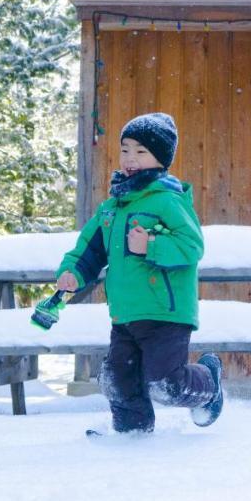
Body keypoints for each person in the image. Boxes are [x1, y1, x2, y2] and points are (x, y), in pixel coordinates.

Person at [52, 112, 224, 434]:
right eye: (125, 149)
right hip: (125, 315)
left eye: (141, 151)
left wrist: (152, 246)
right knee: (118, 380)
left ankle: (209, 383)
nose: (130, 158)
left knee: (165, 385)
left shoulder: (168, 200)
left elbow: (192, 245)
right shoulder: (112, 208)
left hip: (165, 313)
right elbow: (89, 250)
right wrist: (73, 273)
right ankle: (133, 435)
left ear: (160, 158)